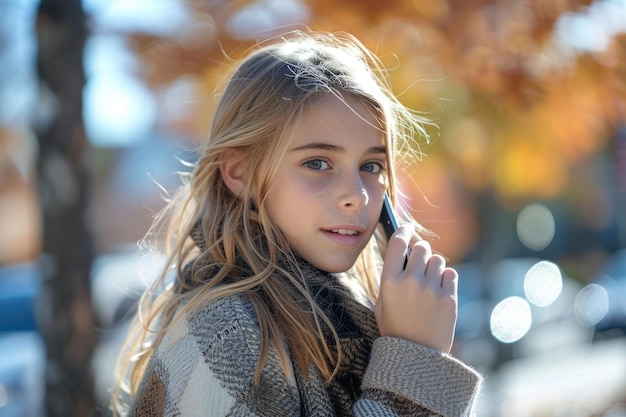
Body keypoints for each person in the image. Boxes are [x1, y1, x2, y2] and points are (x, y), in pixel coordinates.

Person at [111, 30, 483, 417]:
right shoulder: (228, 334)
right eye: (318, 163)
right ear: (241, 173)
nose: (357, 194)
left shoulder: (352, 320)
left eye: (371, 166)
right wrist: (411, 362)